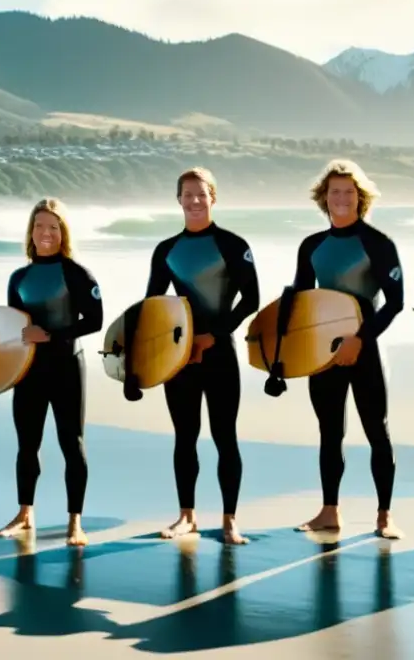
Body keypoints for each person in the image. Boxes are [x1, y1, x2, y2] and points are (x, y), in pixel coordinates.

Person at [144, 167, 260, 545]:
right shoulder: (166, 251)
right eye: (187, 194)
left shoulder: (231, 244)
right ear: (178, 199)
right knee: (185, 437)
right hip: (181, 357)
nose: (194, 200)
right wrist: (156, 353)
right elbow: (154, 306)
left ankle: (230, 520)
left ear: (213, 197)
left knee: (225, 436)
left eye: (201, 193)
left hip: (220, 352)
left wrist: (213, 336)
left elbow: (252, 300)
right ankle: (186, 516)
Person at [289, 159, 404, 539]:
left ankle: (384, 515)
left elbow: (394, 301)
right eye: (334, 192)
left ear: (361, 197)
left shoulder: (378, 243)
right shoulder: (312, 246)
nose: (341, 198)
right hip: (323, 353)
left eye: (349, 192)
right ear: (324, 198)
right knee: (329, 432)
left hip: (364, 348)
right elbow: (302, 300)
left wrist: (360, 339)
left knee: (377, 431)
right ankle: (329, 511)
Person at [0, 198, 103, 547]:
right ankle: (25, 514)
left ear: (62, 232)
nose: (46, 233)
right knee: (27, 444)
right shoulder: (19, 277)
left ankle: (75, 522)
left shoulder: (76, 273)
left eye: (53, 227)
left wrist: (52, 335)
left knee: (72, 443)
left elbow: (95, 321)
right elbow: (12, 324)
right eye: (40, 226)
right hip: (28, 371)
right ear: (31, 231)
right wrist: (17, 338)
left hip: (67, 366)